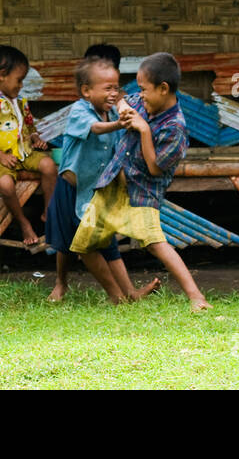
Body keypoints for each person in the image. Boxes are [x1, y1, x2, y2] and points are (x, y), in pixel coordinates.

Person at [71, 52, 211, 311]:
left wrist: (144, 130)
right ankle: (118, 296)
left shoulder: (175, 128)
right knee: (84, 246)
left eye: (145, 89)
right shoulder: (142, 103)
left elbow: (155, 168)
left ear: (163, 88)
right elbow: (124, 100)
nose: (141, 95)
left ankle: (196, 297)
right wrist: (124, 111)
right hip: (110, 188)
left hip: (141, 194)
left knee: (156, 244)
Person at [45, 54, 161, 303]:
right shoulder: (80, 110)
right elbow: (95, 129)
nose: (114, 93)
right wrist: (120, 124)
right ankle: (67, 285)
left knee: (106, 245)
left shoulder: (110, 114)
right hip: (71, 190)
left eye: (116, 87)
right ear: (86, 91)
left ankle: (129, 293)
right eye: (107, 88)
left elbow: (117, 155)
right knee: (70, 245)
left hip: (96, 191)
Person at [0, 45, 56, 246]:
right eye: (19, 80)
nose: (21, 85)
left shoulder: (20, 102)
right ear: (2, 75)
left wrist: (35, 138)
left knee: (49, 166)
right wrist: (0, 155)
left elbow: (29, 125)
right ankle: (23, 222)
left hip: (25, 153)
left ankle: (49, 213)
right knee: (6, 186)